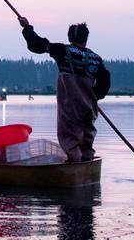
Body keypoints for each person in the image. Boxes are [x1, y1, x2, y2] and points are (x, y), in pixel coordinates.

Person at [18, 16, 110, 162]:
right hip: (89, 107)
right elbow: (105, 82)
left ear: (69, 37)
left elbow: (38, 45)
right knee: (87, 137)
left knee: (69, 137)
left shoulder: (62, 50)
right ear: (86, 38)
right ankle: (87, 164)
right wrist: (94, 97)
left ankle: (74, 167)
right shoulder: (95, 58)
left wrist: (26, 27)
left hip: (70, 105)